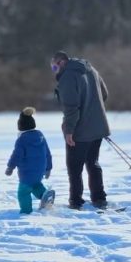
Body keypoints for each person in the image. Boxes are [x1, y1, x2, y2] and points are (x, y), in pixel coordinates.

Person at [51, 50, 110, 210]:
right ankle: (99, 199)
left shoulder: (68, 77)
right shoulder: (90, 69)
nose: (54, 71)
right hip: (98, 127)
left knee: (74, 167)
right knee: (93, 163)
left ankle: (76, 201)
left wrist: (69, 131)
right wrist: (92, 110)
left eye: (54, 67)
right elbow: (104, 94)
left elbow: (71, 108)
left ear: (62, 63)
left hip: (80, 130)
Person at [5, 107, 54, 214]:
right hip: (40, 170)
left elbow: (16, 155)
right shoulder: (40, 135)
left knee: (23, 192)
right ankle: (44, 196)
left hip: (27, 172)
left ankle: (26, 211)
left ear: (20, 126)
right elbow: (47, 153)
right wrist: (48, 168)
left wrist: (10, 167)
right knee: (36, 184)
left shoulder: (22, 139)